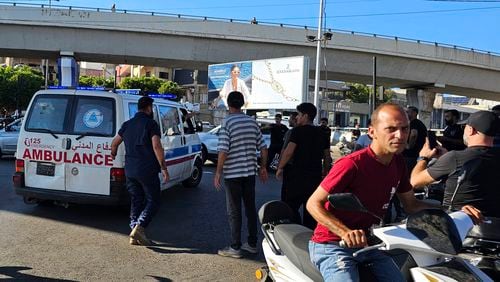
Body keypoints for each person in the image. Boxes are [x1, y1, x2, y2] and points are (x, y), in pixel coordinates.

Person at [306, 103, 482, 282]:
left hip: (368, 244)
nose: (400, 135)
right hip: (333, 244)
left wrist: (454, 212)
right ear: (372, 131)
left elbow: (412, 205)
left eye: (404, 129)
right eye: (391, 129)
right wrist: (345, 232)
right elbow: (313, 203)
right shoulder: (352, 164)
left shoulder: (397, 163)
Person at [411, 110, 500, 217]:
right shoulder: (454, 158)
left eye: (464, 127)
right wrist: (446, 157)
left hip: (460, 226)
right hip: (494, 227)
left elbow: (415, 182)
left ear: (471, 130)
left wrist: (423, 158)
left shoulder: (455, 158)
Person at [214, 91, 268, 258]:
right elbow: (263, 148)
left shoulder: (227, 123)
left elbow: (224, 150)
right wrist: (263, 167)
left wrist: (218, 172)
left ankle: (235, 247)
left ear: (229, 104)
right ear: (242, 104)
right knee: (250, 208)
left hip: (233, 175)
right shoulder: (252, 122)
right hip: (249, 173)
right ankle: (252, 244)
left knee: (234, 211)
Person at [110, 96, 169, 246]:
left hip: (130, 169)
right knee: (154, 200)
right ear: (149, 108)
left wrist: (113, 153)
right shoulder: (151, 124)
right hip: (147, 169)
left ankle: (133, 232)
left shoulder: (127, 124)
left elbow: (115, 143)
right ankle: (140, 227)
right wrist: (163, 168)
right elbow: (156, 146)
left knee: (136, 200)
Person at [276, 103, 331, 229]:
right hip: (314, 177)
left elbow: (288, 152)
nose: (297, 118)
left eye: (299, 115)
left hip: (295, 176)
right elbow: (327, 156)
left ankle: (294, 232)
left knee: (289, 208)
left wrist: (280, 167)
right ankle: (309, 234)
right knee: (311, 209)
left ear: (305, 116)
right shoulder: (322, 133)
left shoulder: (297, 131)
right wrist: (325, 172)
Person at [402, 106, 428, 170]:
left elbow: (414, 134)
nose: (406, 114)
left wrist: (409, 146)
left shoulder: (414, 123)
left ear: (414, 113)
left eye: (408, 112)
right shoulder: (418, 123)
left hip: (411, 155)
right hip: (415, 155)